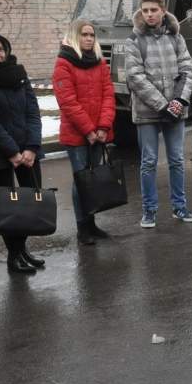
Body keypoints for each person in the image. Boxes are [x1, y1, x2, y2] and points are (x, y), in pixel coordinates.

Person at [124, 0, 192, 228]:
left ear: (163, 11)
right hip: (147, 112)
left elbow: (187, 70)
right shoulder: (134, 40)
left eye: (154, 10)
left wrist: (178, 102)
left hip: (175, 111)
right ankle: (149, 211)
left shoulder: (176, 37)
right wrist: (162, 105)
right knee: (148, 162)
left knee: (177, 160)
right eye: (145, 10)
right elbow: (135, 77)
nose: (149, 14)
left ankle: (180, 207)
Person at [0, 28, 45, 273]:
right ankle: (13, 255)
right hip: (0, 153)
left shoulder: (19, 73)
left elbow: (32, 110)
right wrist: (12, 152)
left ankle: (23, 249)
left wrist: (32, 147)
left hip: (28, 151)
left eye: (0, 49)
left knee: (30, 201)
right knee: (8, 206)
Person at [53, 19, 116, 245]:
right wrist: (89, 130)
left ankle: (91, 224)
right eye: (84, 34)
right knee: (81, 180)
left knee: (93, 180)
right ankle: (82, 228)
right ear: (74, 36)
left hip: (99, 132)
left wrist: (103, 127)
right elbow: (68, 102)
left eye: (91, 35)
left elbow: (108, 95)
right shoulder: (63, 64)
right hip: (77, 135)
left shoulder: (99, 62)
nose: (89, 38)